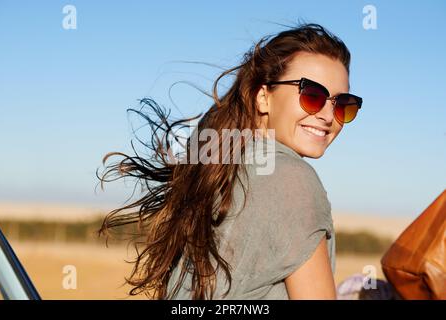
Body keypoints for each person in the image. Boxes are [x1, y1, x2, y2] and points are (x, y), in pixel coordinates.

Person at [97, 22, 363, 300]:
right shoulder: (292, 178)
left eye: (342, 103)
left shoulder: (222, 167)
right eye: (313, 95)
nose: (328, 116)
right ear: (263, 97)